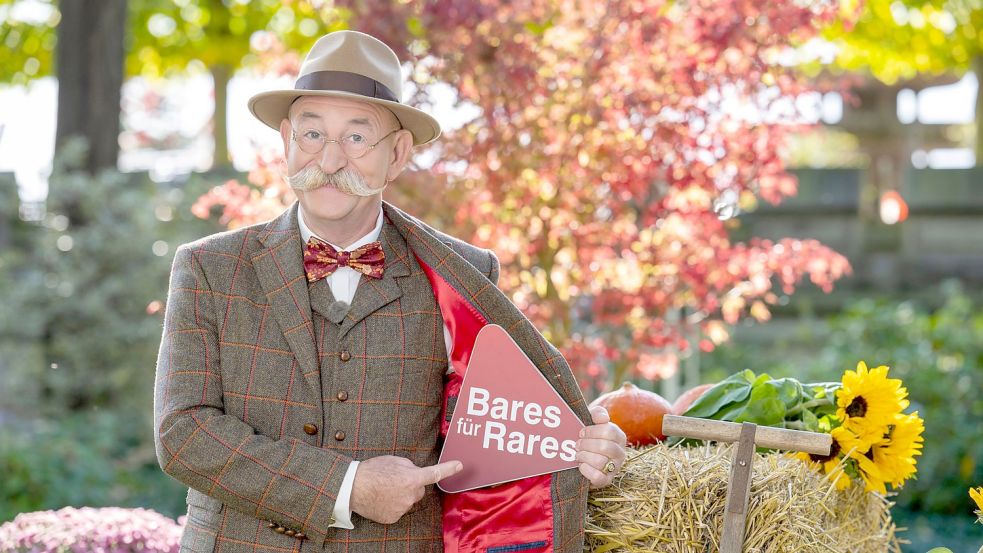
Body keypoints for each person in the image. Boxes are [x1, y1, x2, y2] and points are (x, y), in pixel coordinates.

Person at [154, 30, 626, 553]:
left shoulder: (462, 277)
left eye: (357, 138)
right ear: (286, 139)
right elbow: (184, 435)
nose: (329, 160)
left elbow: (500, 445)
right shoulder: (209, 267)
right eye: (312, 134)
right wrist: (347, 487)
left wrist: (580, 452)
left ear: (397, 154)